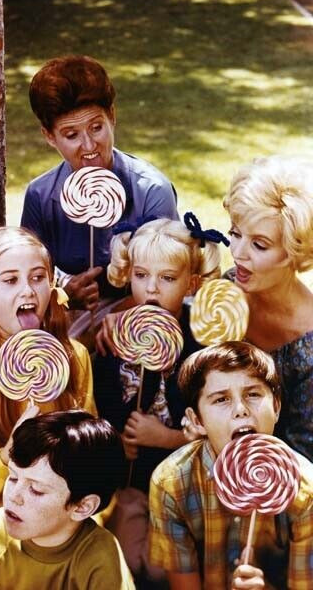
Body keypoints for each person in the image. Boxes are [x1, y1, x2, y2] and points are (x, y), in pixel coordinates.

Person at [93, 214, 225, 582]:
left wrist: (166, 437)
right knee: (129, 561)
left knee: (163, 569)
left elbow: (221, 432)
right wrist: (116, 442)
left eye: (167, 278)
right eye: (141, 275)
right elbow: (99, 407)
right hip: (131, 485)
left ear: (191, 283)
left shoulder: (203, 347)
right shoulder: (113, 341)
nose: (151, 289)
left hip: (189, 486)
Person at [0, 227, 96, 520]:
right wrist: (8, 453)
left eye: (37, 278)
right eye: (10, 280)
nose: (28, 290)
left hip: (63, 519)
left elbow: (91, 460)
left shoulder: (75, 358)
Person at [21, 55, 178, 315]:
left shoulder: (152, 190)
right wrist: (63, 295)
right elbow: (29, 278)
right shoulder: (40, 196)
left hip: (142, 314)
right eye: (71, 135)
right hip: (68, 317)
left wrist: (110, 321)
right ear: (49, 136)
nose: (89, 145)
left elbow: (170, 283)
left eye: (96, 127)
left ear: (112, 116)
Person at [149, 341, 313, 590]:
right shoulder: (170, 483)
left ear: (276, 407)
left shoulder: (305, 489)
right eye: (221, 399)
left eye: (253, 394)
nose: (240, 410)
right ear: (197, 420)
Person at [0, 410, 134, 590]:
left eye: (36, 490)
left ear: (82, 506)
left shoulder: (102, 560)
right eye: (13, 477)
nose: (13, 496)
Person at [223, 155, 313, 462]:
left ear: (294, 250)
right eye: (235, 233)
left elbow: (303, 456)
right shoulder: (229, 289)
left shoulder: (308, 348)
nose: (237, 253)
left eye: (259, 245)